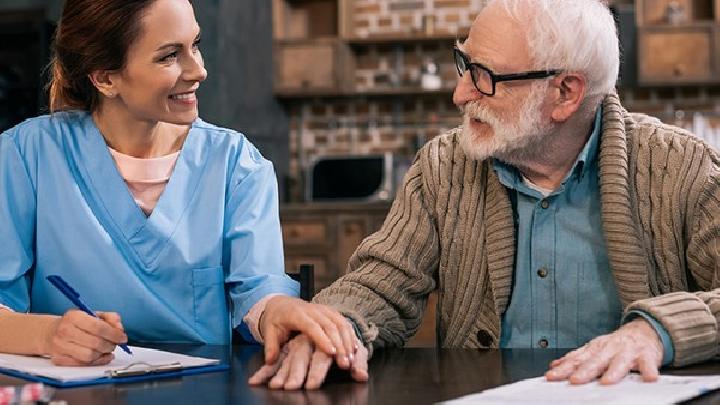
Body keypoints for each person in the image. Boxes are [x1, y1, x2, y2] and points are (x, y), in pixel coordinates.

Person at [250, 0, 720, 390]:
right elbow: (381, 284)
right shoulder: (443, 168)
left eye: (484, 76)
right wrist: (333, 329)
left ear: (565, 93)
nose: (459, 94)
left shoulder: (682, 168)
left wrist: (658, 331)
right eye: (464, 65)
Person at [0, 0, 357, 367]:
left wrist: (277, 308)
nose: (199, 70)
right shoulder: (25, 157)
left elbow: (257, 290)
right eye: (169, 56)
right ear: (105, 78)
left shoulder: (236, 163)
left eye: (195, 45)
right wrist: (48, 334)